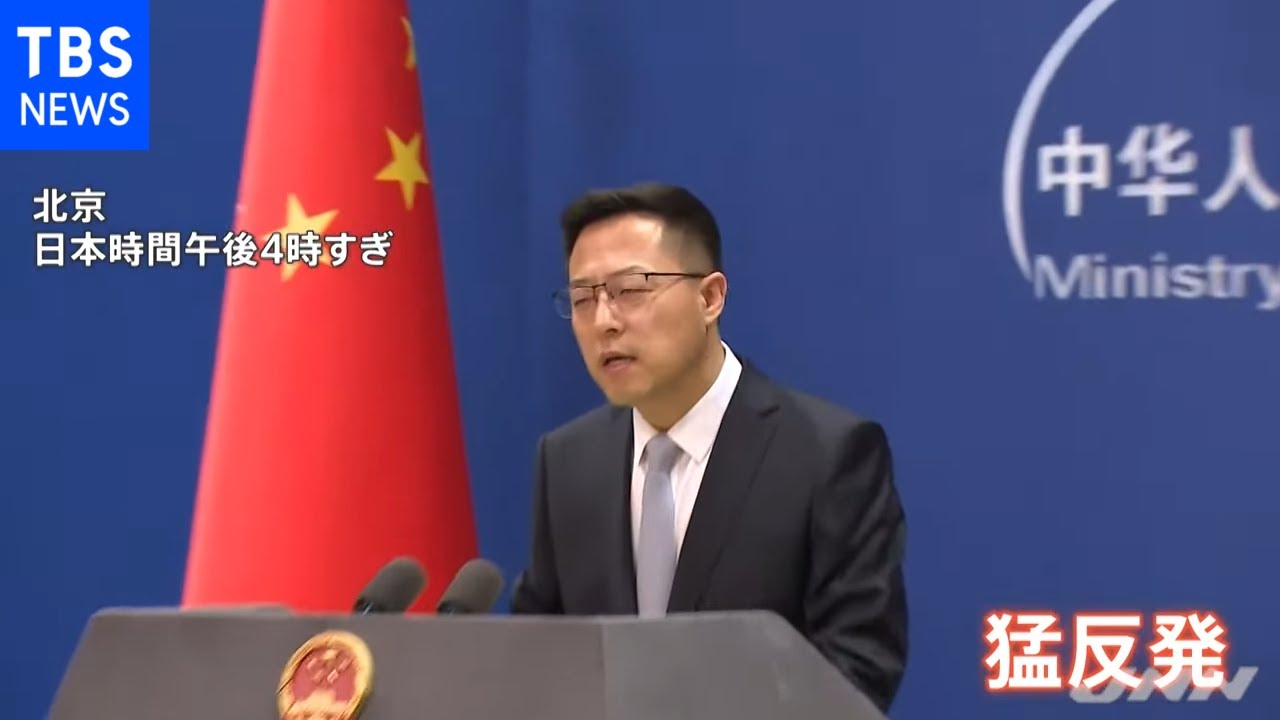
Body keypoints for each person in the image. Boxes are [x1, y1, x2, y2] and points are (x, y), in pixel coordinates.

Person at [509, 182, 908, 712]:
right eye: (583, 298)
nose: (604, 321)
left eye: (631, 290)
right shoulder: (567, 462)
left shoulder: (826, 456)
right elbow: (537, 658)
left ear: (710, 298)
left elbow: (858, 669)